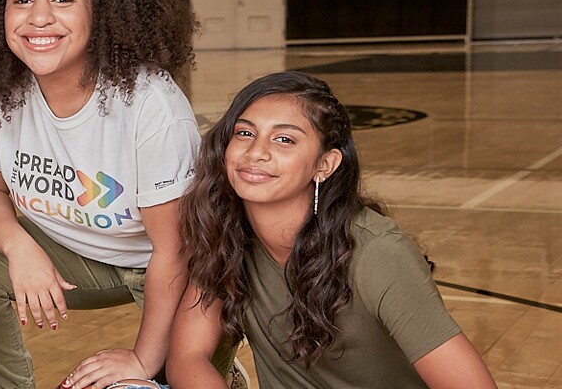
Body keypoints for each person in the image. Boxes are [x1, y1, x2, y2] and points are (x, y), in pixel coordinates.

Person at [0, 0, 228, 389]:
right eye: (22, 0)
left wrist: (141, 359)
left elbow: (175, 250)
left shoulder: (149, 103)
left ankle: (208, 364)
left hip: (182, 268)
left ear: (102, 12)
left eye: (63, 0)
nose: (39, 16)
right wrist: (18, 245)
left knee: (162, 377)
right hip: (79, 254)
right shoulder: (3, 92)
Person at [168, 72, 496, 388]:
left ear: (325, 164)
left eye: (284, 139)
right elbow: (187, 356)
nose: (256, 152)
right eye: (244, 133)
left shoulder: (379, 253)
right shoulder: (226, 232)